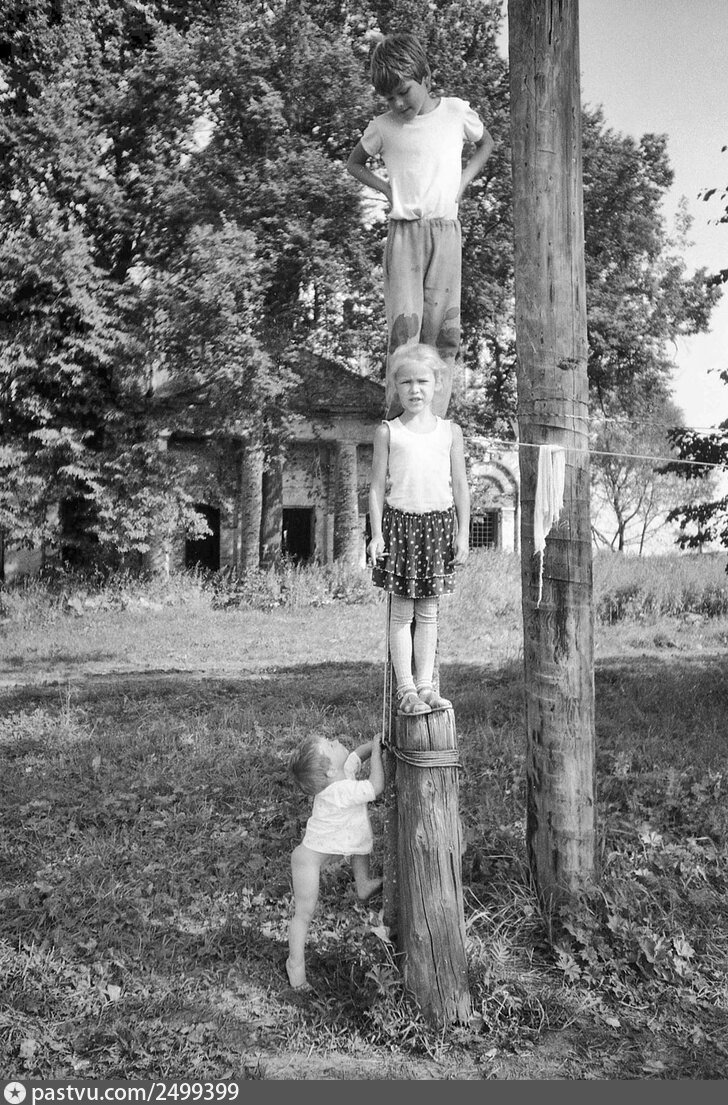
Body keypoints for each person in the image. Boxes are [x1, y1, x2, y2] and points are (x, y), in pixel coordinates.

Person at [346, 31, 494, 419]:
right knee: (405, 334)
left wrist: (463, 183)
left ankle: (434, 423)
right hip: (405, 237)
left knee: (443, 332)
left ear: (426, 77)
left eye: (403, 92)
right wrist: (387, 190)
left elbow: (486, 144)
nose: (397, 103)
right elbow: (354, 164)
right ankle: (399, 423)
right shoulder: (383, 126)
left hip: (446, 232)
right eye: (388, 98)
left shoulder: (455, 113)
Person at [367, 343, 470, 715]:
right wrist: (376, 534)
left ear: (437, 383)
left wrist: (462, 533)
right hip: (400, 527)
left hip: (437, 527)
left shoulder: (450, 432)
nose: (415, 389)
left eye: (422, 381)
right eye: (406, 382)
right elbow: (376, 487)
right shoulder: (388, 432)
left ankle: (426, 686)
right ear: (395, 386)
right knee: (401, 613)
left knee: (428, 613)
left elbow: (460, 487)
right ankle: (406, 690)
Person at [286, 732, 384, 990]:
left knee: (359, 843)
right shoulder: (340, 790)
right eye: (330, 745)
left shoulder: (342, 774)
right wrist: (377, 751)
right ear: (330, 770)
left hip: (342, 843)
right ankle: (295, 965)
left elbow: (357, 755)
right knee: (304, 914)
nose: (336, 740)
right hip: (307, 861)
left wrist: (376, 742)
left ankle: (363, 885)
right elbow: (376, 786)